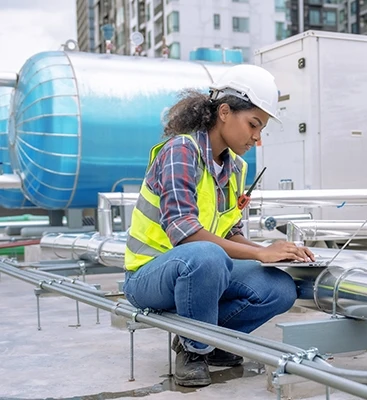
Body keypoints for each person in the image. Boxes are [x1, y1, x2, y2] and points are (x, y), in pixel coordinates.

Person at [122, 64, 315, 387]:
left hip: (201, 266)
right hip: (149, 274)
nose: (257, 137)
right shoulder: (181, 152)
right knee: (207, 257)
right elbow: (184, 234)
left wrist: (273, 252)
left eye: (262, 129)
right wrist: (259, 255)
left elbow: (230, 232)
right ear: (224, 112)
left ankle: (216, 341)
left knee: (279, 288)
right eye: (253, 125)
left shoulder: (235, 167)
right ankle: (193, 348)